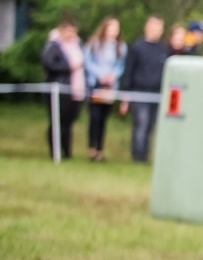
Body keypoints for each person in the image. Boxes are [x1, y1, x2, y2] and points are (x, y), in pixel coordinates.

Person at [122, 15, 171, 163]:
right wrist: (126, 95)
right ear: (146, 27)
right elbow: (129, 71)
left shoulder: (164, 49)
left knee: (150, 126)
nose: (156, 30)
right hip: (140, 91)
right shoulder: (137, 47)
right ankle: (138, 157)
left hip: (157, 93)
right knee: (141, 124)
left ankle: (146, 154)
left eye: (158, 27)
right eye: (153, 26)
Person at [39, 14, 87, 158]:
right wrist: (69, 67)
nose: (71, 34)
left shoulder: (79, 45)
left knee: (68, 122)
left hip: (75, 88)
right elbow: (49, 63)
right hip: (58, 87)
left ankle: (66, 151)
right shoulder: (53, 45)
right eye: (68, 31)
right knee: (57, 121)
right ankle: (55, 151)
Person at [82, 16, 126, 162]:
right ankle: (92, 148)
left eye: (116, 28)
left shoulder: (120, 46)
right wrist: (100, 75)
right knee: (94, 117)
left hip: (109, 86)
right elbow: (87, 62)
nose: (114, 31)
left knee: (103, 119)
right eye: (111, 27)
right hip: (96, 84)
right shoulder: (94, 44)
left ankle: (100, 150)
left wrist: (113, 76)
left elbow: (121, 65)